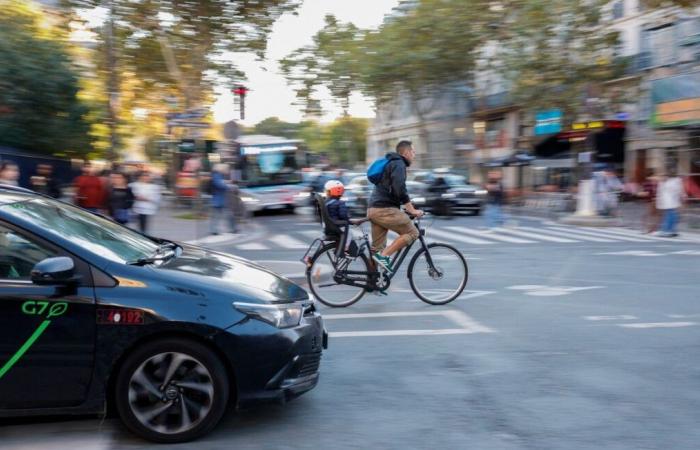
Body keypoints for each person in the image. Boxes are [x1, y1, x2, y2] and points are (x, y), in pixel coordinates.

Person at [367, 140, 422, 272]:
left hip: (374, 209)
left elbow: (392, 190)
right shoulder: (399, 164)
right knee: (412, 232)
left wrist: (403, 206)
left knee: (377, 248)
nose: (414, 155)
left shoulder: (391, 163)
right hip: (384, 209)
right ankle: (385, 256)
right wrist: (411, 210)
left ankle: (371, 282)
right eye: (413, 152)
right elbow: (399, 189)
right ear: (407, 152)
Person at [656, 171, 686, 237]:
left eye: (664, 176)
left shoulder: (672, 182)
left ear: (667, 177)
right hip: (667, 203)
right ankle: (670, 230)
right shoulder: (662, 184)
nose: (662, 178)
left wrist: (682, 196)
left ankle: (668, 230)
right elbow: (659, 195)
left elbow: (678, 191)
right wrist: (659, 204)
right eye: (661, 176)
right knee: (670, 217)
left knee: (671, 217)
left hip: (671, 202)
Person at [210, 163, 232, 235]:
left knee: (225, 214)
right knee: (220, 215)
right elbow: (220, 185)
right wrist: (227, 185)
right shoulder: (217, 175)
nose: (227, 171)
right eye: (226, 169)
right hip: (218, 199)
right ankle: (214, 230)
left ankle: (215, 230)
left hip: (220, 199)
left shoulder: (218, 175)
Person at [639, 169, 659, 234]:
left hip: (650, 201)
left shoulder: (647, 182)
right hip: (657, 200)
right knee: (655, 215)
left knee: (647, 215)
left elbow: (647, 193)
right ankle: (653, 229)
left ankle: (647, 229)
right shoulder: (656, 182)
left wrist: (639, 193)